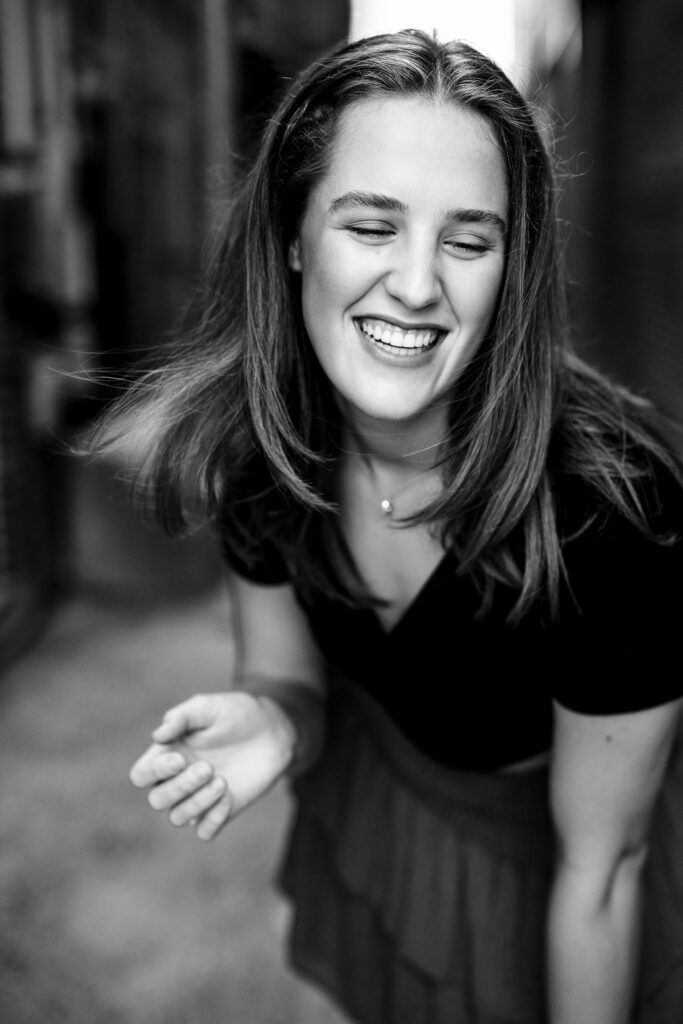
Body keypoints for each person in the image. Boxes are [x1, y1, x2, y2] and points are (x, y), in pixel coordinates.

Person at [93, 29, 683, 1024]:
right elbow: (282, 672)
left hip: (562, 871)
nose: (415, 285)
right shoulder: (258, 449)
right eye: (371, 226)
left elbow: (601, 867)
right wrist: (278, 716)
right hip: (383, 801)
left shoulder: (611, 514)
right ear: (292, 235)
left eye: (467, 241)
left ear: (511, 268)